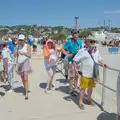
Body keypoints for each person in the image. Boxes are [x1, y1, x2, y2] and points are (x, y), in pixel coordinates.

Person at [73, 38, 107, 110]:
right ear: (86, 42)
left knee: (91, 88)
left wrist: (103, 64)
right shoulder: (82, 51)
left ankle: (88, 100)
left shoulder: (96, 50)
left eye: (93, 41)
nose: (92, 43)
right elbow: (75, 60)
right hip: (85, 73)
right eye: (91, 41)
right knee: (83, 89)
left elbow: (99, 58)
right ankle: (81, 102)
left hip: (93, 74)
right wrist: (75, 69)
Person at [62, 29, 82, 96]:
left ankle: (75, 88)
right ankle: (71, 90)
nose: (76, 34)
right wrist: (67, 55)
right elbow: (63, 49)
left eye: (77, 33)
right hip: (71, 61)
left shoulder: (79, 41)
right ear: (72, 34)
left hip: (78, 62)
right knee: (72, 76)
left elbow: (81, 50)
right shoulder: (69, 41)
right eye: (75, 33)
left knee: (77, 76)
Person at [16, 34, 32, 100]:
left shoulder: (27, 46)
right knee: (22, 78)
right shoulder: (18, 46)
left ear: (24, 40)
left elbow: (30, 55)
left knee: (25, 78)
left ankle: (26, 93)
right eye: (19, 40)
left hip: (25, 63)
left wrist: (24, 53)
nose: (20, 41)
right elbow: (16, 55)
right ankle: (25, 88)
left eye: (22, 40)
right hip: (19, 63)